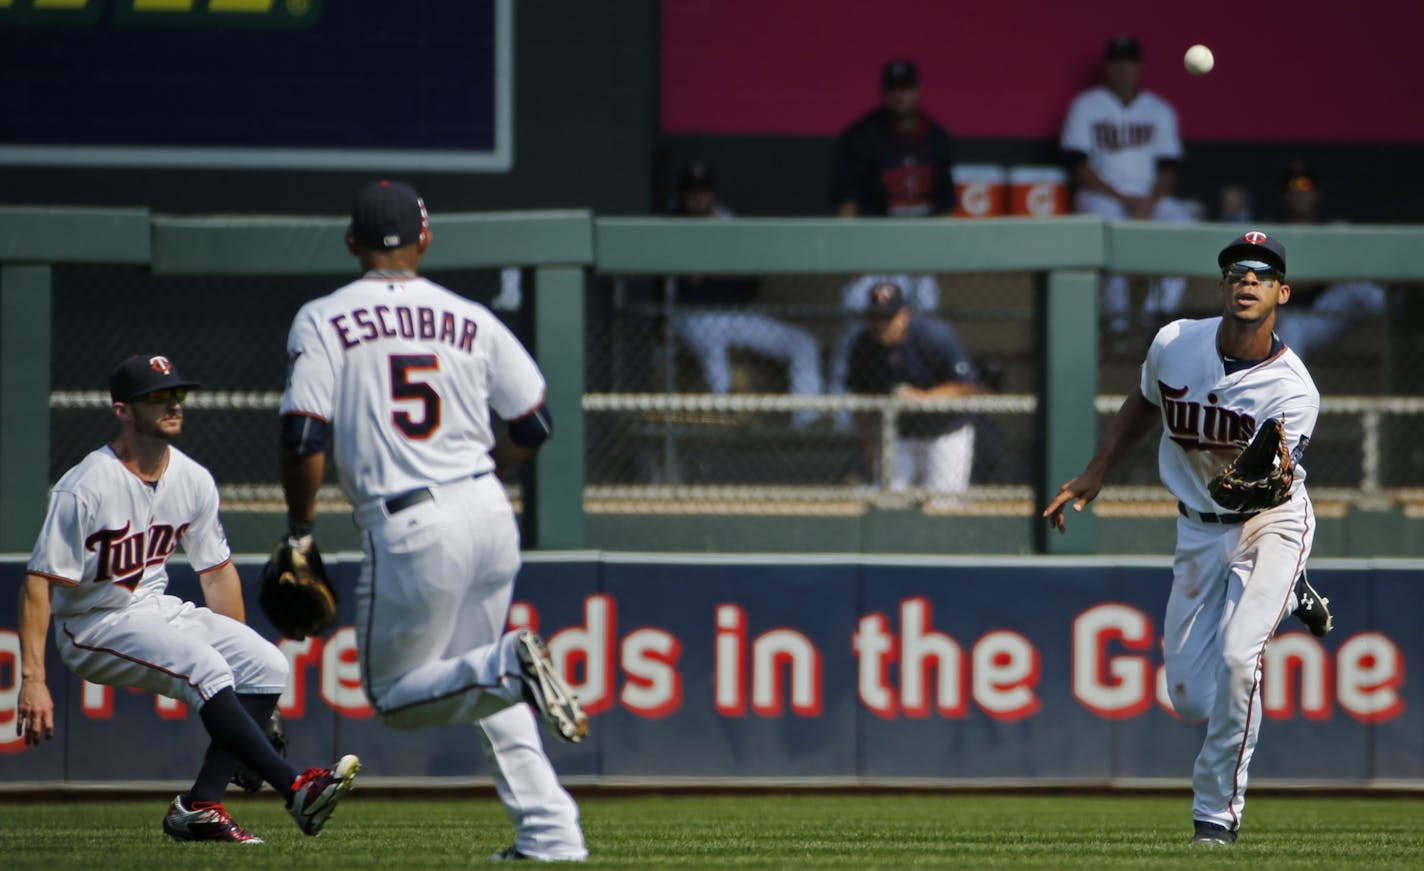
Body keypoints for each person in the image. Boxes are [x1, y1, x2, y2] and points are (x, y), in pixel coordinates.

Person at [277, 180, 589, 862]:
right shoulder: (468, 315)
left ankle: (513, 664)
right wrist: (486, 475)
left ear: (351, 242)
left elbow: (303, 435)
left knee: (393, 694)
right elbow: (534, 421)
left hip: (411, 522)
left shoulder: (325, 317)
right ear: (426, 238)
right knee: (471, 679)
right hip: (486, 505)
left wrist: (300, 529)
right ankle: (551, 834)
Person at [1043, 231, 1335, 846]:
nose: (1247, 279)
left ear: (1281, 292)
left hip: (1271, 524)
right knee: (1187, 696)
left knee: (1238, 662)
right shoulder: (1176, 342)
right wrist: (1097, 471)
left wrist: (1250, 485)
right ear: (1223, 285)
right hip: (1199, 529)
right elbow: (1144, 402)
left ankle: (1215, 817)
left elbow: (1274, 478)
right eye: (1236, 270)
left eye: (1262, 272)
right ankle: (1292, 594)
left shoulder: (1292, 389)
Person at [16, 353, 359, 843]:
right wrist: (33, 678)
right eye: (156, 396)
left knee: (267, 666)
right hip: (92, 623)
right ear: (123, 411)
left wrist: (252, 702)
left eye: (177, 392)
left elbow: (217, 575)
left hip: (154, 609)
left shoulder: (193, 479)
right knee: (205, 666)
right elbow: (38, 582)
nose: (173, 402)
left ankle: (200, 806)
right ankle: (297, 787)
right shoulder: (85, 486)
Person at [666, 162, 824, 427]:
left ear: (713, 194)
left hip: (734, 314)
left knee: (802, 342)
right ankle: (725, 409)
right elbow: (680, 286)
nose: (698, 197)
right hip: (691, 317)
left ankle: (807, 421)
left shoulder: (728, 223)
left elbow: (750, 281)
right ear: (682, 195)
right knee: (711, 339)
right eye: (692, 191)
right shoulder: (668, 225)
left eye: (703, 191)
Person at [1060, 35, 1195, 338]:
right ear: (1108, 67)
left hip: (1148, 197)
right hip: (1101, 196)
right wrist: (1123, 198)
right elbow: (1076, 166)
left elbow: (1169, 168)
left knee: (1183, 226)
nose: (1123, 69)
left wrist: (1148, 202)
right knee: (1110, 233)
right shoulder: (1086, 106)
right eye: (1117, 62)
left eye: (1129, 62)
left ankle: (1156, 315)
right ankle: (1117, 323)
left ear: (1139, 67)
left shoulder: (1159, 110)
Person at [846, 281, 980, 505]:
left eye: (887, 318)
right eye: (875, 318)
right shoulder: (863, 345)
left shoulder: (934, 336)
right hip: (899, 434)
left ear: (903, 315)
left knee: (943, 506)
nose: (881, 325)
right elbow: (860, 399)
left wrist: (924, 398)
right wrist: (869, 445)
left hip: (945, 432)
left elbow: (966, 386)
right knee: (888, 502)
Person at [1271, 161, 1388, 359]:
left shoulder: (1332, 232)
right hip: (1295, 313)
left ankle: (1398, 312)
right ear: (1284, 195)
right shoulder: (1274, 236)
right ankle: (1292, 389)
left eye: (1306, 187)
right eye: (1293, 187)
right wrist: (1319, 275)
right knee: (1292, 327)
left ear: (1317, 194)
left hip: (1328, 308)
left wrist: (1333, 272)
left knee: (1353, 284)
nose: (1300, 194)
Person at [830, 59, 957, 217]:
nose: (899, 96)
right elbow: (847, 202)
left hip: (926, 235)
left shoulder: (937, 138)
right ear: (883, 93)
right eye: (893, 89)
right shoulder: (861, 136)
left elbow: (948, 204)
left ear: (918, 91)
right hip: (876, 234)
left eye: (905, 89)